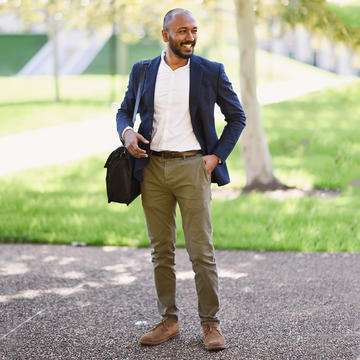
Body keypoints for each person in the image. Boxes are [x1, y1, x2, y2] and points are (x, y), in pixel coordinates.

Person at [116, 8, 246, 351]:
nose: (190, 37)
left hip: (193, 167)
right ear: (165, 36)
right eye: (182, 31)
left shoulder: (210, 71)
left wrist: (215, 157)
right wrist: (126, 132)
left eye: (194, 31)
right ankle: (169, 321)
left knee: (201, 251)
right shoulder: (143, 70)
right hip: (152, 169)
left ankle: (211, 325)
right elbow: (123, 110)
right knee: (161, 251)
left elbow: (237, 117)